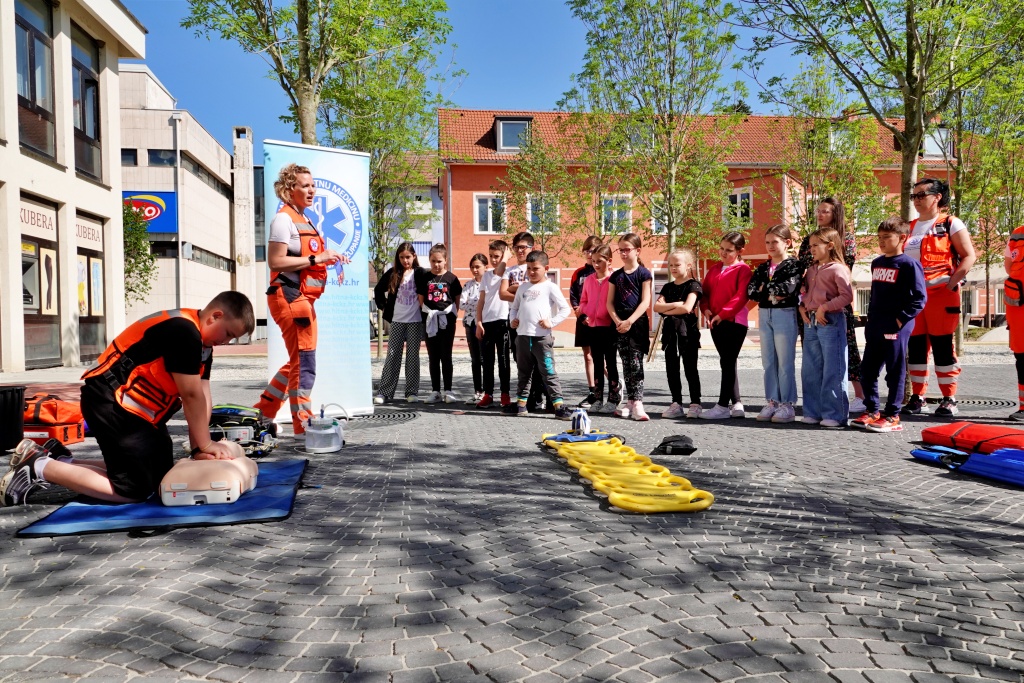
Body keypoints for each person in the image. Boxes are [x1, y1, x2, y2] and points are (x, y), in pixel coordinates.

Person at [1, 292, 256, 506]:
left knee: (161, 477)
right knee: (133, 490)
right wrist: (204, 446)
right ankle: (38, 466)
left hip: (134, 412)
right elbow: (191, 396)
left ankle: (60, 461)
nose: (226, 341)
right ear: (216, 316)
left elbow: (203, 395)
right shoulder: (184, 332)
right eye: (228, 333)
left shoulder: (203, 345)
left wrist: (202, 448)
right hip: (111, 403)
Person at [255, 163, 350, 434]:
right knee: (305, 363)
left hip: (301, 300)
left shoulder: (302, 218)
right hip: (290, 298)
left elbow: (306, 260)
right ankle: (303, 425)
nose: (311, 190)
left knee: (298, 361)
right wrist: (316, 258)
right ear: (289, 189)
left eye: (312, 184)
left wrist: (328, 257)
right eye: (305, 185)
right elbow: (275, 260)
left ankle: (264, 412)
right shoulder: (283, 219)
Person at [902, 177, 977, 417]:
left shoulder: (950, 223)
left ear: (937, 197)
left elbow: (969, 256)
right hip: (913, 299)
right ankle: (918, 397)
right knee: (915, 349)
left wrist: (951, 285)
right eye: (914, 196)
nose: (917, 200)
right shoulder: (910, 227)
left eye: (922, 195)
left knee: (943, 348)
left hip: (941, 297)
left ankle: (949, 399)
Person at [851, 217, 927, 432]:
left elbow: (920, 298)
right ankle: (872, 410)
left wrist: (900, 319)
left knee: (894, 371)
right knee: (867, 370)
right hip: (875, 324)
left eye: (886, 237)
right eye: (879, 237)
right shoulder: (877, 262)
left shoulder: (909, 264)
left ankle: (893, 415)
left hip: (896, 326)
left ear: (902, 238)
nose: (881, 241)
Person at [798, 198, 864, 412]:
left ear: (836, 213)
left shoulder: (847, 239)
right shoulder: (810, 239)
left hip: (834, 307)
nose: (819, 215)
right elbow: (804, 270)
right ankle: (817, 405)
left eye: (824, 211)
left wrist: (827, 304)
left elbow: (845, 273)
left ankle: (856, 397)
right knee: (814, 360)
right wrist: (804, 303)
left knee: (843, 354)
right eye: (817, 211)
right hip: (811, 306)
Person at [748, 225, 804, 424]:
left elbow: (788, 288)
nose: (770, 246)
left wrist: (765, 288)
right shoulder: (763, 267)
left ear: (787, 243)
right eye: (767, 242)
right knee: (768, 361)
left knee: (785, 361)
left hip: (785, 313)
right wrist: (770, 291)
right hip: (765, 313)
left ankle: (787, 404)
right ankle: (772, 400)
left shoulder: (794, 265)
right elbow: (751, 291)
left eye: (775, 242)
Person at [799, 227, 854, 428]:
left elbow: (847, 296)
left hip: (831, 320)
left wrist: (824, 307)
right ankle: (812, 411)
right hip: (811, 321)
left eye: (816, 245)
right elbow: (805, 293)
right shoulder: (812, 269)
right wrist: (802, 307)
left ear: (830, 246)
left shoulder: (838, 268)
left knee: (834, 367)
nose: (811, 249)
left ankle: (835, 414)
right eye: (810, 245)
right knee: (811, 369)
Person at [509, 251, 573, 419]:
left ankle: (558, 405)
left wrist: (551, 322)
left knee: (548, 371)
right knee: (523, 372)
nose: (531, 272)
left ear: (546, 268)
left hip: (542, 338)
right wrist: (512, 320)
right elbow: (514, 308)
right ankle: (521, 405)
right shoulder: (523, 287)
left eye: (535, 268)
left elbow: (565, 309)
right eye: (528, 268)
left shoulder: (550, 287)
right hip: (522, 337)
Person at [700, 232, 753, 420]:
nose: (723, 253)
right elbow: (704, 293)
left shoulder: (743, 270)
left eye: (729, 250)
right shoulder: (714, 269)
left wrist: (722, 314)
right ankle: (736, 402)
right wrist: (705, 309)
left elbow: (740, 297)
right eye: (721, 248)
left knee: (728, 361)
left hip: (734, 322)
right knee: (727, 362)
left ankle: (723, 405)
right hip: (715, 321)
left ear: (740, 251)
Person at [607, 232, 653, 421]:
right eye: (621, 250)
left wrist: (630, 321)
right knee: (625, 362)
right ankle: (629, 401)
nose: (623, 253)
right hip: (619, 323)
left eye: (627, 250)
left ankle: (638, 401)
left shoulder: (644, 274)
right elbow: (609, 302)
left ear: (637, 250)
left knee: (636, 362)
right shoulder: (616, 276)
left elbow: (645, 301)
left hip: (637, 323)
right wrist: (618, 320)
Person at [373, 242, 426, 405]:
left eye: (408, 257)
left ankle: (411, 392)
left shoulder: (420, 273)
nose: (405, 260)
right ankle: (385, 391)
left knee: (412, 357)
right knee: (392, 355)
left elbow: (428, 289)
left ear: (414, 257)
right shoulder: (393, 273)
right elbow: (378, 290)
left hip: (415, 321)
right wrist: (384, 307)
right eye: (402, 257)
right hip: (397, 320)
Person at [654, 248, 703, 419]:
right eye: (670, 265)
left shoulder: (693, 285)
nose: (673, 268)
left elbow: (687, 308)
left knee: (690, 368)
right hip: (669, 332)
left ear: (688, 265)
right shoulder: (667, 287)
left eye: (677, 264)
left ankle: (695, 403)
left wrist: (667, 308)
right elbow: (656, 307)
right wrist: (675, 305)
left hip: (687, 332)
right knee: (671, 368)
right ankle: (676, 402)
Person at [500, 232, 545, 413]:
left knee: (539, 360)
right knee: (521, 361)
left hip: (536, 322)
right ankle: (523, 399)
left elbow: (541, 292)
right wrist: (523, 294)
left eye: (523, 247)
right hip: (516, 321)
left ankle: (538, 397)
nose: (520, 250)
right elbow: (503, 293)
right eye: (517, 247)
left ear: (531, 248)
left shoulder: (536, 267)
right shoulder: (510, 271)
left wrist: (518, 291)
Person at [417, 243, 462, 403]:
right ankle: (435, 390)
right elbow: (421, 300)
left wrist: (449, 316)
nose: (436, 265)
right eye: (433, 261)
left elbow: (456, 301)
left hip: (446, 321)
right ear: (429, 261)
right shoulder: (425, 278)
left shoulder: (452, 278)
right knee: (433, 356)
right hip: (430, 321)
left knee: (446, 355)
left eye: (439, 261)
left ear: (445, 261)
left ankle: (448, 390)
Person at [578, 244, 620, 414]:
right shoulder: (588, 280)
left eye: (600, 261)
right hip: (593, 327)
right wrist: (585, 315)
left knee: (611, 363)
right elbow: (583, 302)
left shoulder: (615, 279)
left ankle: (613, 398)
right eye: (594, 261)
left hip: (609, 327)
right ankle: (597, 398)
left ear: (609, 261)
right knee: (597, 363)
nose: (596, 265)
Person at [474, 240, 511, 409]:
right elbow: (481, 301)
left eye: (497, 256)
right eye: (491, 256)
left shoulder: (507, 273)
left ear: (504, 256)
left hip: (502, 321)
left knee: (503, 360)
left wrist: (507, 258)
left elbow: (501, 272)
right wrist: (479, 322)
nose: (493, 259)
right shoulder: (487, 276)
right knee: (487, 361)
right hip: (487, 323)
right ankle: (488, 394)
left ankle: (505, 394)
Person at [570, 236, 603, 408]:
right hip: (583, 320)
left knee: (601, 357)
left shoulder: (603, 272)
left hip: (599, 321)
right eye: (587, 251)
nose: (589, 254)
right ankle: (592, 391)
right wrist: (581, 315)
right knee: (588, 356)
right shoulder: (578, 273)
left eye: (593, 250)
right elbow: (573, 296)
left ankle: (610, 384)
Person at [1003, 224, 1024, 421]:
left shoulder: (1018, 233)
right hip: (1018, 305)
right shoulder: (1017, 233)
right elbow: (1008, 265)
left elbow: (1010, 265)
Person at [461, 254, 488, 405]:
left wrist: (477, 303)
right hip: (470, 323)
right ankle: (478, 390)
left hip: (485, 323)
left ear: (486, 267)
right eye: (472, 267)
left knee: (486, 358)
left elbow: (489, 303)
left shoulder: (489, 284)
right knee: (475, 359)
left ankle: (488, 390)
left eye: (478, 266)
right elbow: (462, 304)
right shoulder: (468, 285)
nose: (475, 270)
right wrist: (477, 303)